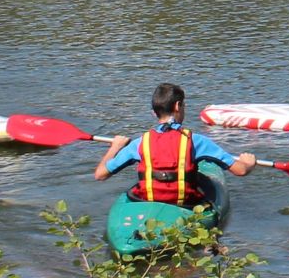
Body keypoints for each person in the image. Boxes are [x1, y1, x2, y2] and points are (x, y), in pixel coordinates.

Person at [93, 83, 255, 215]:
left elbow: (100, 174)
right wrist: (248, 162)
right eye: (184, 105)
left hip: (147, 204)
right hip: (187, 206)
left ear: (154, 113)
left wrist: (115, 147)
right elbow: (240, 170)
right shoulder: (196, 141)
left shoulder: (140, 143)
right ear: (178, 106)